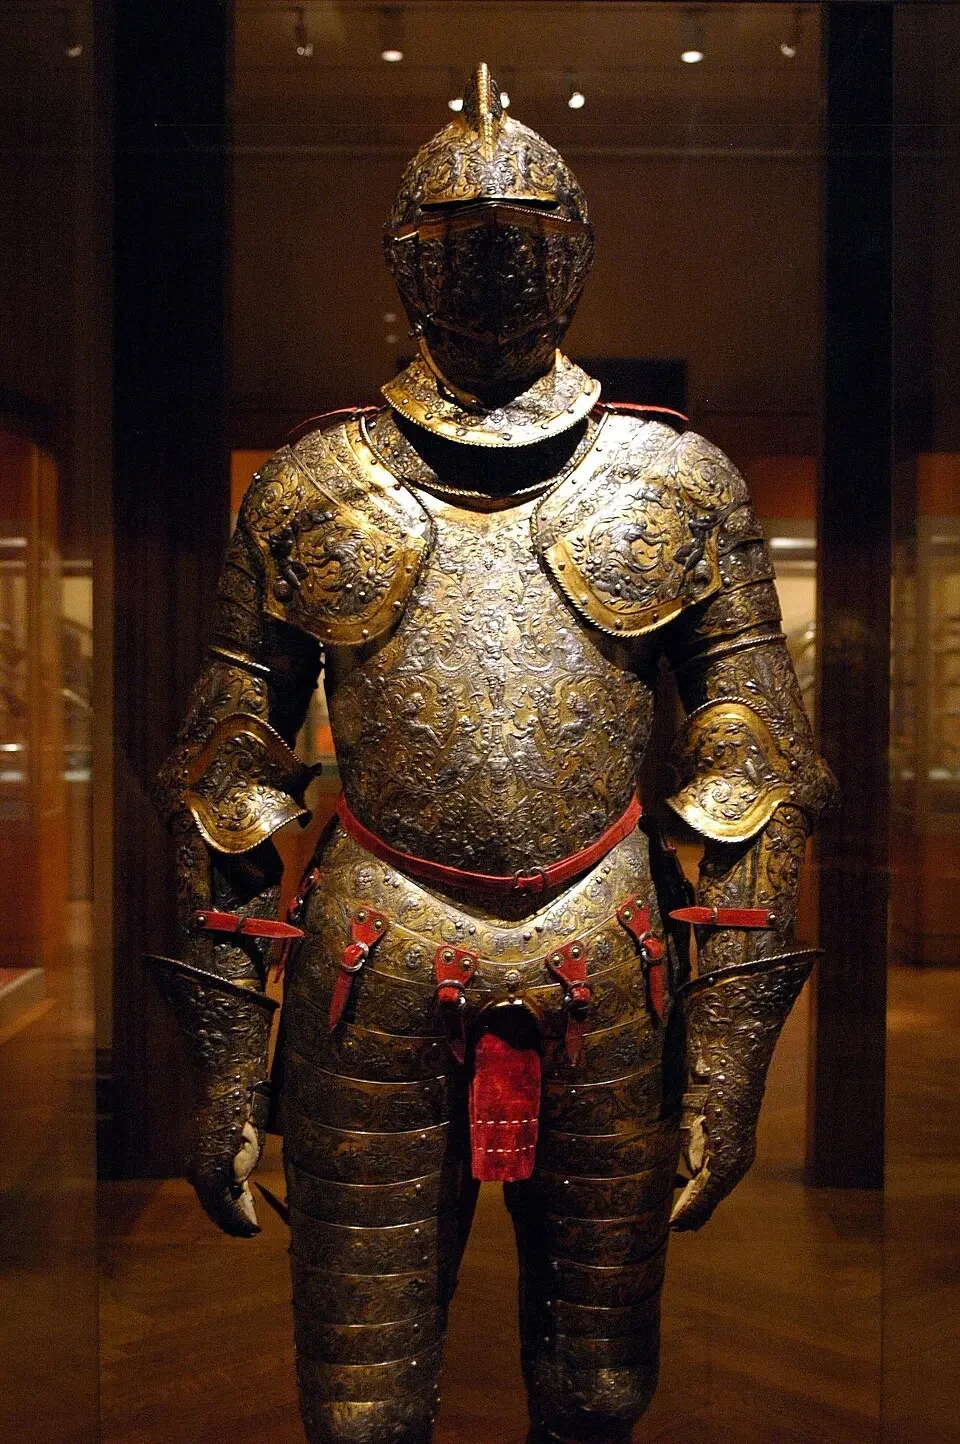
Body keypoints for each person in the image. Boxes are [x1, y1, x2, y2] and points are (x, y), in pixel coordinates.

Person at [151, 64, 836, 1444]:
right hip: (374, 958)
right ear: (407, 259)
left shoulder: (676, 482)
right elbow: (228, 776)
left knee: (598, 1390)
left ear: (572, 253)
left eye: (522, 238)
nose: (494, 262)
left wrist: (727, 1064)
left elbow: (756, 772)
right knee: (360, 1405)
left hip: (607, 950)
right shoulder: (313, 486)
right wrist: (224, 1072)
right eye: (460, 238)